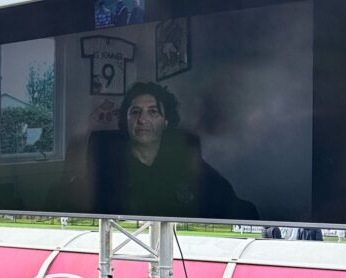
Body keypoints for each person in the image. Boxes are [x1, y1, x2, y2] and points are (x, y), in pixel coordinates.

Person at [75, 81, 258, 220]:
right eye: (135, 112)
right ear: (126, 120)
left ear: (166, 122)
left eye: (153, 112)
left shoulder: (183, 159)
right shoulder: (107, 167)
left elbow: (230, 201)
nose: (142, 120)